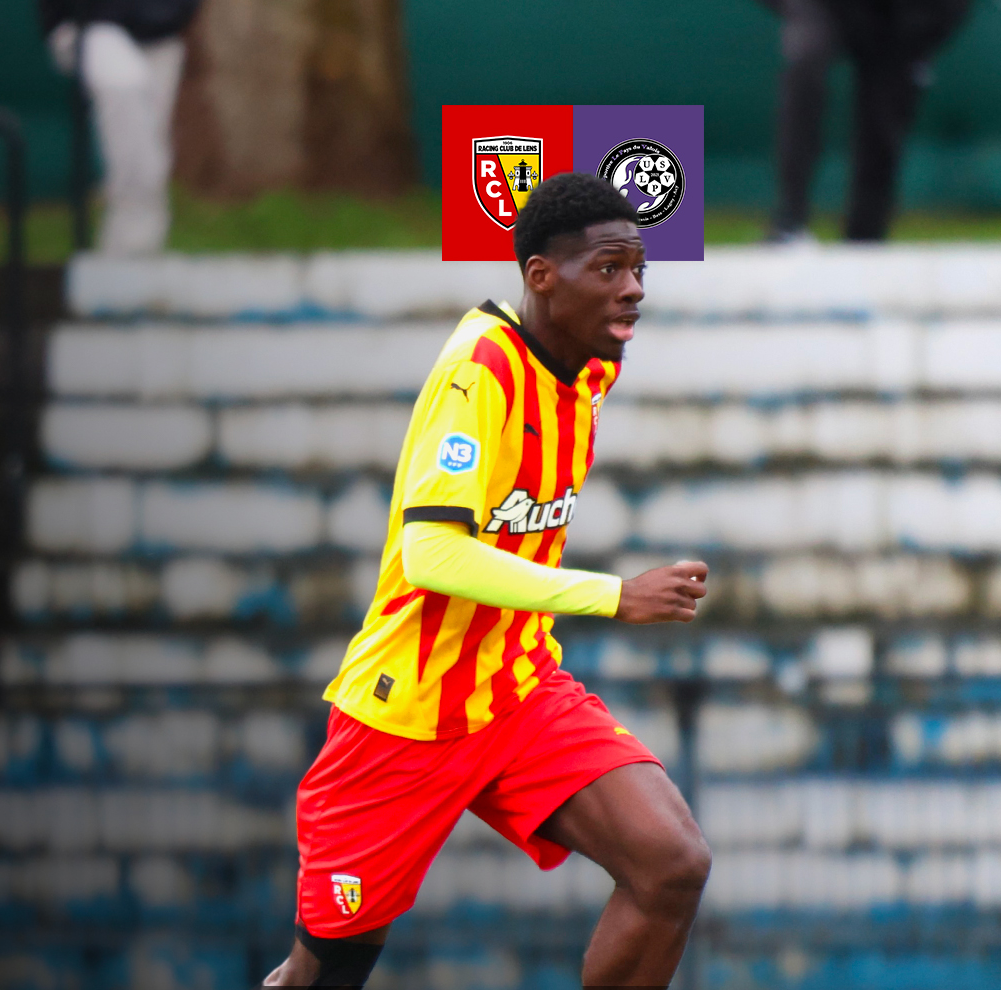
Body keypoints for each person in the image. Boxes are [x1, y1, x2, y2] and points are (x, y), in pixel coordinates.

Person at [264, 172, 713, 988]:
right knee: (320, 979)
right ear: (542, 276)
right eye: (609, 269)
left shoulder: (588, 365)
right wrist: (615, 594)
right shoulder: (478, 372)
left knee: (672, 862)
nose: (634, 289)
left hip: (516, 691)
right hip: (406, 715)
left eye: (639, 269)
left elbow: (584, 202)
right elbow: (432, 555)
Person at [764, 0, 969, 242]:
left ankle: (864, 238)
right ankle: (789, 222)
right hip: (825, 6)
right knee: (806, 62)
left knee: (884, 119)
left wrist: (917, 37)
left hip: (902, 20)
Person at [40, 0, 199, 255]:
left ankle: (136, 256)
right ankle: (127, 260)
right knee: (127, 91)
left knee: (154, 153)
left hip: (161, 33)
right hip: (90, 26)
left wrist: (173, 14)